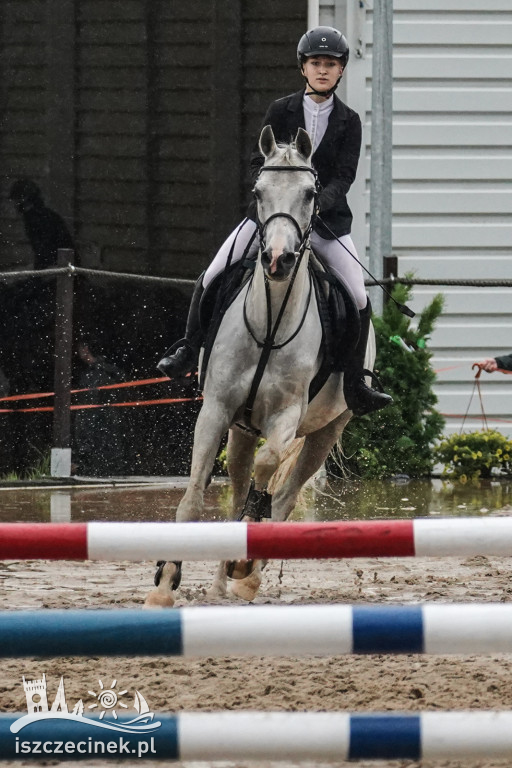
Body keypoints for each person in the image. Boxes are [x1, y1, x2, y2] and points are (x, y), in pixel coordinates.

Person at [157, 26, 392, 416]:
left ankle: (356, 381)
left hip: (326, 223)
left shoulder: (349, 121)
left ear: (341, 71)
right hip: (272, 220)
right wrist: (277, 195)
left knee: (358, 296)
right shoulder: (279, 110)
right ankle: (187, 348)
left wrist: (316, 203)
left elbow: (344, 177)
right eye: (316, 63)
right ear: (303, 67)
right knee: (213, 273)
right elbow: (256, 161)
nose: (322, 70)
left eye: (330, 65)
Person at [9, 178, 74, 270]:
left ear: (24, 199)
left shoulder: (36, 219)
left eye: (16, 200)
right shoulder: (43, 215)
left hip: (58, 270)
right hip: (56, 267)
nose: (14, 204)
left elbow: (45, 252)